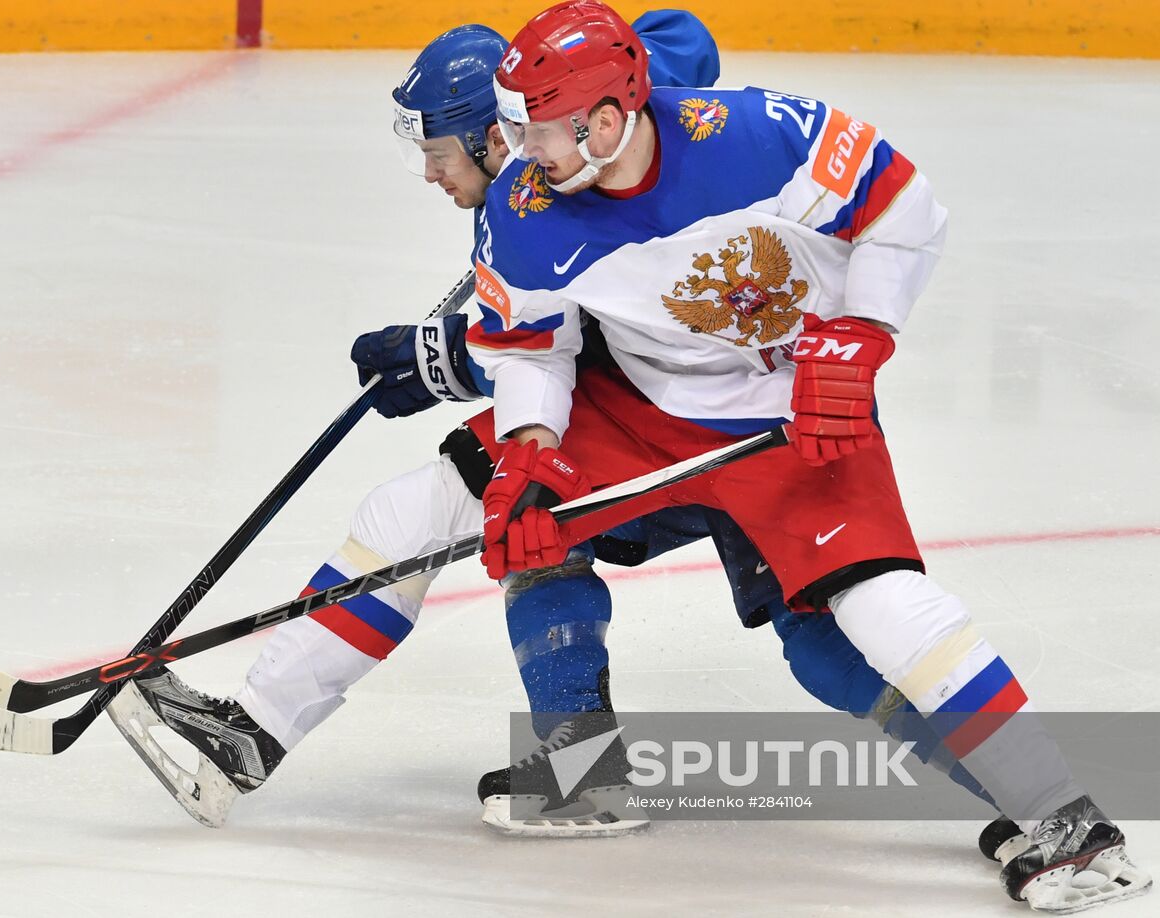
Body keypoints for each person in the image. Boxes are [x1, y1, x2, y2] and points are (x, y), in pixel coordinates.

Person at [108, 11, 991, 843]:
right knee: (473, 510)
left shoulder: (634, 144)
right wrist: (476, 381)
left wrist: (440, 360)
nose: (429, 172)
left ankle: (1041, 793)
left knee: (835, 653)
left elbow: (682, 68)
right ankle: (273, 738)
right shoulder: (526, 203)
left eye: (439, 150)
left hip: (762, 422)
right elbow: (545, 337)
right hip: (638, 424)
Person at [467, 0, 1150, 909]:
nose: (519, 149)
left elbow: (903, 202)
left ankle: (1067, 816)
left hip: (797, 414)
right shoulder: (530, 207)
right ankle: (581, 763)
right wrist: (526, 441)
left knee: (866, 618)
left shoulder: (758, 134)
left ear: (602, 120)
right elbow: (528, 344)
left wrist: (860, 335)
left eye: (537, 126)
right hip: (659, 418)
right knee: (580, 550)